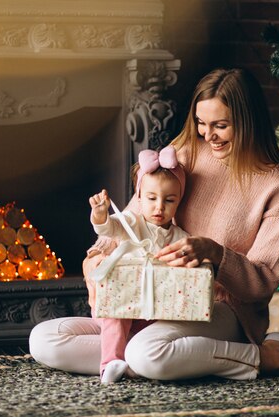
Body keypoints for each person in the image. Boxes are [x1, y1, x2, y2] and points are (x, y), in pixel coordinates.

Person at [29, 67, 279, 381]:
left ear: (248, 123)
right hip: (148, 298)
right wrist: (94, 264)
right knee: (45, 339)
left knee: (146, 354)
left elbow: (262, 283)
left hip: (220, 309)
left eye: (221, 125)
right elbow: (128, 224)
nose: (209, 136)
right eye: (201, 124)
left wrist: (216, 253)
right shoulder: (180, 158)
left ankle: (266, 357)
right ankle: (154, 359)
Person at [88, 145, 190, 384]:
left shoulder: (180, 237)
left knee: (168, 321)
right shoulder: (132, 223)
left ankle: (139, 359)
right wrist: (100, 214)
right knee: (116, 315)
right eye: (151, 198)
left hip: (153, 309)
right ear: (139, 197)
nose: (159, 207)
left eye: (169, 200)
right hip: (122, 302)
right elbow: (107, 228)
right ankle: (110, 364)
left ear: (179, 202)